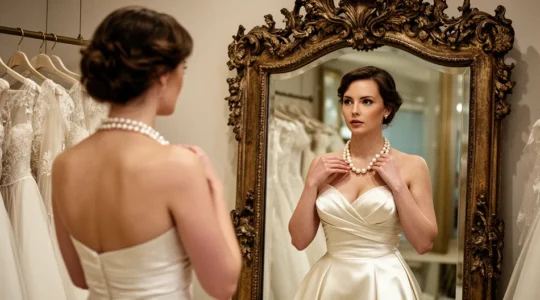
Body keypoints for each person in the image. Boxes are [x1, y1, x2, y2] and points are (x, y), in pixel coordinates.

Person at [51, 6, 242, 300]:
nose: (183, 77)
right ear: (162, 75)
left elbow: (80, 277)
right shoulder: (178, 166)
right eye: (183, 68)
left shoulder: (65, 164)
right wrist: (215, 188)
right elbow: (224, 285)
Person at [289, 66, 438, 299]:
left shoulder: (412, 166)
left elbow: (424, 243)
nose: (354, 110)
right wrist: (311, 185)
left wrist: (397, 186)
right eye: (348, 102)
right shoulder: (322, 164)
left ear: (386, 110)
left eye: (366, 102)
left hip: (384, 283)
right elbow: (298, 240)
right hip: (331, 284)